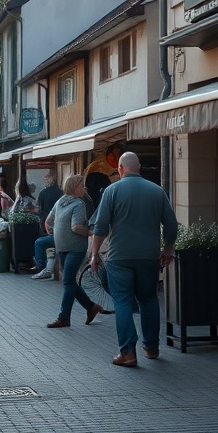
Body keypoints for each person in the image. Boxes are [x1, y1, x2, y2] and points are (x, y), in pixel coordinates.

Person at [90, 151, 178, 367]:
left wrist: (94, 254)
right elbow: (172, 225)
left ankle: (128, 352)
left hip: (119, 257)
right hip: (149, 257)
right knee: (148, 299)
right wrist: (167, 249)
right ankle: (151, 347)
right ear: (138, 167)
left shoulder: (111, 191)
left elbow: (100, 227)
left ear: (120, 168)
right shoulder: (157, 191)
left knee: (122, 301)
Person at [44, 175, 103, 328]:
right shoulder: (77, 203)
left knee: (68, 281)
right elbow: (76, 227)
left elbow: (48, 221)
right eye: (82, 185)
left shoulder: (61, 202)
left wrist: (53, 231)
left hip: (70, 248)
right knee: (69, 281)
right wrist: (91, 233)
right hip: (69, 247)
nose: (85, 188)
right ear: (75, 186)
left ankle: (64, 317)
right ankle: (91, 307)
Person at [30, 171, 63, 277]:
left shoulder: (43, 193)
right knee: (50, 245)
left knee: (42, 243)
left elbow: (39, 209)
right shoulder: (61, 192)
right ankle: (50, 267)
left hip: (46, 224)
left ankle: (42, 266)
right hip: (58, 224)